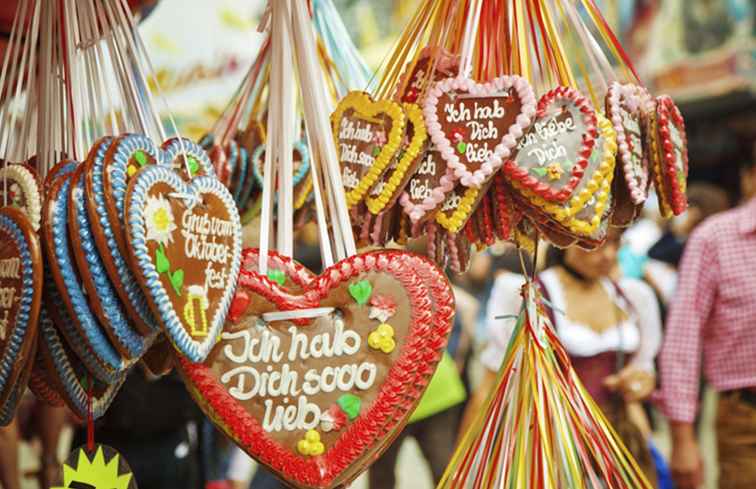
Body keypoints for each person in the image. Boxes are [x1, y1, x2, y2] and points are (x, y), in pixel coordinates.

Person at [463, 229, 662, 485]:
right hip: (552, 448)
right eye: (596, 244)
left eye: (616, 243)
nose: (609, 255)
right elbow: (491, 387)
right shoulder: (531, 296)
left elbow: (644, 372)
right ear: (565, 241)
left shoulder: (632, 296)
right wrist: (468, 468)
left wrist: (639, 383)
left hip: (620, 442)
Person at [657, 149, 756, 489]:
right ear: (750, 177)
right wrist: (682, 437)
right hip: (745, 419)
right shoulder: (714, 239)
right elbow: (683, 339)